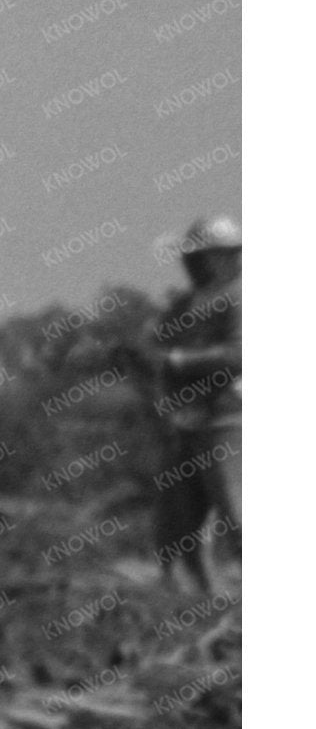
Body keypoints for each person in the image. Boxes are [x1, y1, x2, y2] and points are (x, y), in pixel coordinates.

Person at [145, 215, 241, 591]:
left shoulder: (242, 297)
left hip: (232, 421)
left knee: (239, 515)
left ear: (224, 256)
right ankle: (195, 604)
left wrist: (175, 361)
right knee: (175, 527)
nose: (189, 264)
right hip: (188, 424)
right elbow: (157, 346)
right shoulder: (184, 304)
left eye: (199, 257)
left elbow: (239, 354)